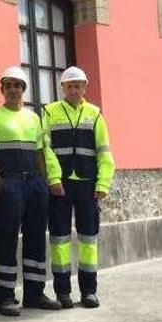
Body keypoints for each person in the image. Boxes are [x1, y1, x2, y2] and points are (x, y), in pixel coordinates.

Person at [0, 66, 61, 316]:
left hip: (35, 183)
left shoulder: (33, 118)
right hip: (10, 183)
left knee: (36, 237)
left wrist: (44, 183)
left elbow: (40, 153)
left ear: (24, 90)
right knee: (7, 237)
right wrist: (1, 183)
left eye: (18, 85)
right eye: (9, 85)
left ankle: (35, 294)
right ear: (2, 90)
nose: (14, 89)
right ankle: (5, 296)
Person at [42, 66, 115, 309]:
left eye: (78, 85)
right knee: (59, 239)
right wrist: (53, 178)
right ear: (62, 88)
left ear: (85, 87)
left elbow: (105, 152)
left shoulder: (95, 114)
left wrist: (103, 183)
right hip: (60, 186)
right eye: (69, 85)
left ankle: (89, 291)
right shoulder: (49, 112)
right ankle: (62, 292)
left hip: (88, 185)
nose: (74, 89)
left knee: (88, 240)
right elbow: (46, 148)